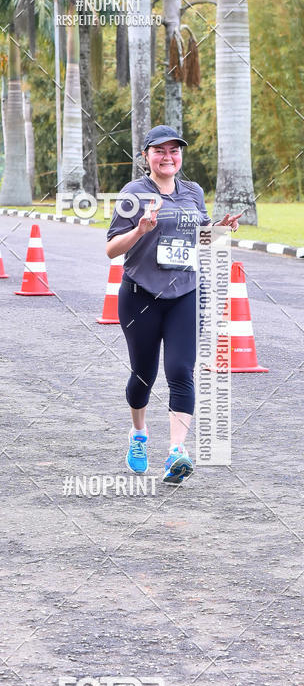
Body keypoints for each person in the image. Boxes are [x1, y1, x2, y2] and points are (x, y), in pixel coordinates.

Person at [106, 125, 242, 484]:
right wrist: (140, 230)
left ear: (180, 156)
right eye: (159, 151)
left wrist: (220, 228)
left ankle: (176, 452)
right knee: (143, 375)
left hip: (186, 293)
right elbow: (111, 249)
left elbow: (201, 237)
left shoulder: (193, 192)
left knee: (181, 371)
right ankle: (139, 435)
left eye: (174, 150)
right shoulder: (133, 193)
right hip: (140, 296)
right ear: (146, 156)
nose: (168, 157)